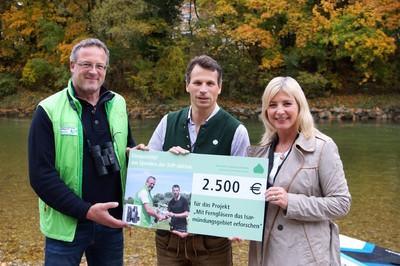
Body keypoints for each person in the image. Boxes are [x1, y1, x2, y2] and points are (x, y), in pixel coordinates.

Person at [28, 38, 146, 266]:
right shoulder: (48, 110)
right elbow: (41, 176)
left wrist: (138, 155)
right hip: (66, 227)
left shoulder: (118, 103)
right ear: (72, 66)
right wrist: (87, 211)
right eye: (86, 64)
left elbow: (126, 148)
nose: (93, 71)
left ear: (105, 70)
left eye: (99, 66)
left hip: (111, 223)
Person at [147, 55, 251, 265]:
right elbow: (148, 170)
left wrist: (237, 225)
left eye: (210, 83)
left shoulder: (236, 130)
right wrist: (166, 161)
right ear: (187, 85)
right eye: (197, 82)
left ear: (219, 87)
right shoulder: (168, 122)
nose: (203, 89)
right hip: (169, 241)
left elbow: (244, 190)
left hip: (212, 243)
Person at [247, 76, 351, 266]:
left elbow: (341, 204)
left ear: (300, 106)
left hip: (304, 257)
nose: (279, 111)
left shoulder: (323, 148)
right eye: (272, 105)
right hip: (263, 255)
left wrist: (292, 202)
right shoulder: (259, 153)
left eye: (287, 103)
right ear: (265, 110)